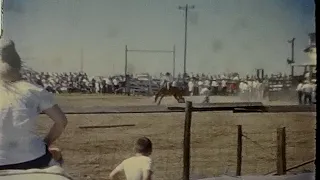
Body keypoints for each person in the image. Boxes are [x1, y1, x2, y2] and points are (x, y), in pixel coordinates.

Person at [0, 39, 68, 170]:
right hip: (31, 158)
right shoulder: (34, 90)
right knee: (57, 157)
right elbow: (61, 122)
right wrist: (46, 142)